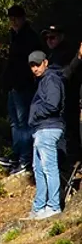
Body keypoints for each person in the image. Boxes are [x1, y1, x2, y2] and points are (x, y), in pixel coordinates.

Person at [0, 5, 42, 176]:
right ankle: (16, 155)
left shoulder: (29, 37)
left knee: (24, 124)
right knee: (15, 122)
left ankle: (25, 159)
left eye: (16, 18)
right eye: (11, 18)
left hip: (24, 85)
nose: (13, 22)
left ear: (23, 18)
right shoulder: (14, 36)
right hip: (13, 85)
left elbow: (32, 62)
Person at [25, 51, 65, 220]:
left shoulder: (51, 79)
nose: (35, 68)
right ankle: (39, 207)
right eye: (32, 65)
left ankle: (53, 206)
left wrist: (34, 113)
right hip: (41, 129)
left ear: (45, 63)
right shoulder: (43, 81)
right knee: (38, 169)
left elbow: (53, 104)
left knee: (49, 168)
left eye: (38, 64)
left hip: (49, 128)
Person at [41, 25, 80, 166]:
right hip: (56, 101)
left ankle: (70, 163)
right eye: (47, 38)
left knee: (68, 132)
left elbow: (64, 75)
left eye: (52, 37)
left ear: (61, 36)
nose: (49, 40)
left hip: (67, 99)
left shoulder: (67, 53)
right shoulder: (53, 54)